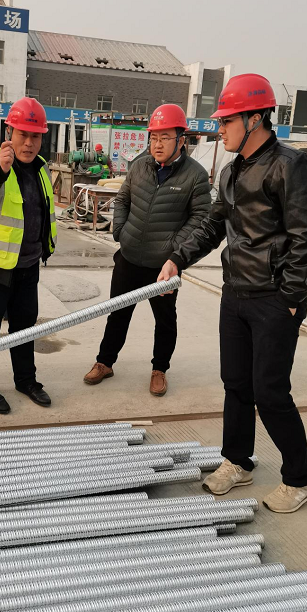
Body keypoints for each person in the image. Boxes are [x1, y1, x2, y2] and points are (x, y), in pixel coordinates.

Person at [158, 73, 307, 513]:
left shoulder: (292, 166)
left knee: (270, 392)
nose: (220, 129)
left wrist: (290, 297)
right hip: (235, 293)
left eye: (227, 121)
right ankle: (238, 461)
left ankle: (301, 477)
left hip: (274, 299)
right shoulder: (232, 171)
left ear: (255, 119)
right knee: (235, 384)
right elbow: (215, 224)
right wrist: (178, 257)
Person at [83, 104, 211, 396]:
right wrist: (120, 231)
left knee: (165, 320)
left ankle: (159, 369)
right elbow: (122, 199)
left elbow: (200, 219)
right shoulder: (139, 166)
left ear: (181, 139)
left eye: (165, 137)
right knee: (117, 313)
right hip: (129, 258)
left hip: (163, 267)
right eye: (153, 137)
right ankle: (105, 362)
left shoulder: (195, 176)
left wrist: (174, 251)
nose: (158, 144)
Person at [0, 98, 57, 414]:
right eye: (23, 135)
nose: (29, 143)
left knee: (25, 327)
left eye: (35, 136)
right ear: (9, 132)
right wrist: (1, 170)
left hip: (28, 264)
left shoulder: (41, 168)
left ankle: (26, 380)